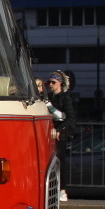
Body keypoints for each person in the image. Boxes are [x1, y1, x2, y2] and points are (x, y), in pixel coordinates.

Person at [47, 71, 75, 201]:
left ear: (60, 83)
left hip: (60, 135)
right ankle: (53, 188)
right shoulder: (48, 97)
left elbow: (71, 119)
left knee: (61, 162)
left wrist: (60, 129)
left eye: (54, 82)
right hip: (50, 133)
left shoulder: (65, 98)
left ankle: (62, 190)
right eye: (49, 82)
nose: (51, 85)